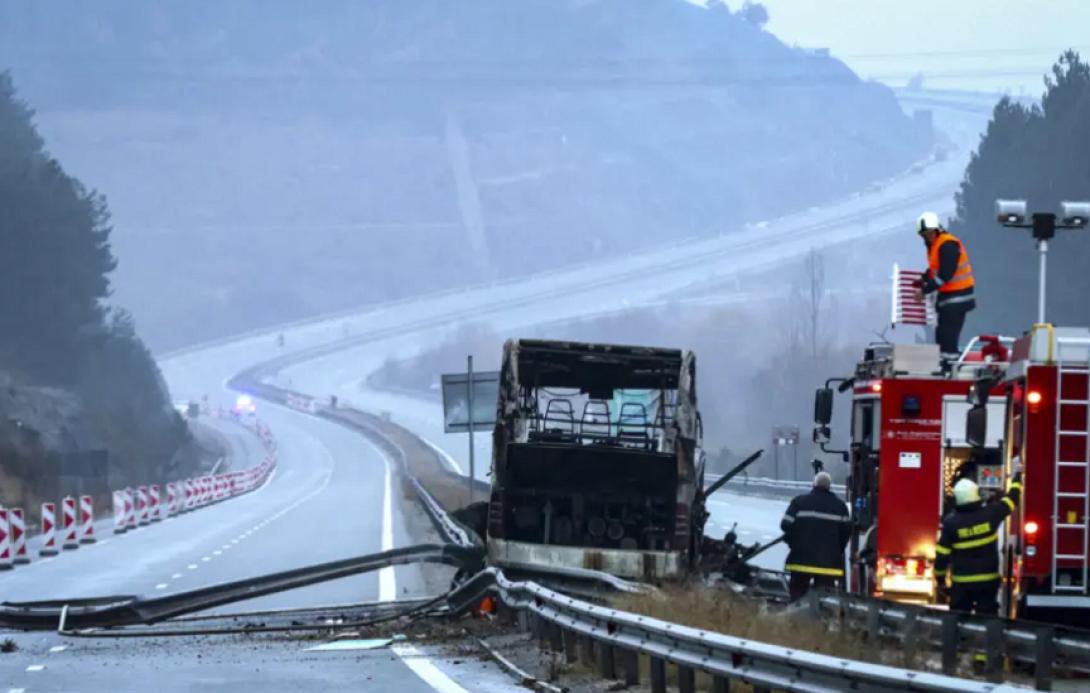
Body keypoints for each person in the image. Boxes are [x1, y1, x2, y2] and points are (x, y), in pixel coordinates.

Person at [934, 463, 1022, 615]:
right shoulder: (990, 514)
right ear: (976, 494)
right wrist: (1017, 477)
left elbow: (942, 556)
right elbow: (1012, 500)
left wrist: (940, 580)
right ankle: (988, 638)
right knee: (987, 618)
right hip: (988, 583)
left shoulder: (951, 523)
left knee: (959, 622)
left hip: (961, 585)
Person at [912, 212, 976, 365]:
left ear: (936, 230)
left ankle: (950, 364)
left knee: (949, 334)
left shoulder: (947, 245)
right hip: (948, 298)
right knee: (941, 333)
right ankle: (944, 362)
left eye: (928, 234)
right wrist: (924, 279)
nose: (926, 237)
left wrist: (924, 290)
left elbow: (945, 275)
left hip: (958, 297)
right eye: (923, 235)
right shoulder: (935, 245)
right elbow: (935, 269)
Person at [781, 471, 851, 601]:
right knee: (824, 601)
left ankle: (795, 619)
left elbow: (785, 525)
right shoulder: (840, 506)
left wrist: (794, 542)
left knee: (797, 596)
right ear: (829, 486)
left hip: (800, 561)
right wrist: (836, 551)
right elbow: (846, 532)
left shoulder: (799, 502)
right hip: (828, 565)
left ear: (813, 484)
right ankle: (820, 620)